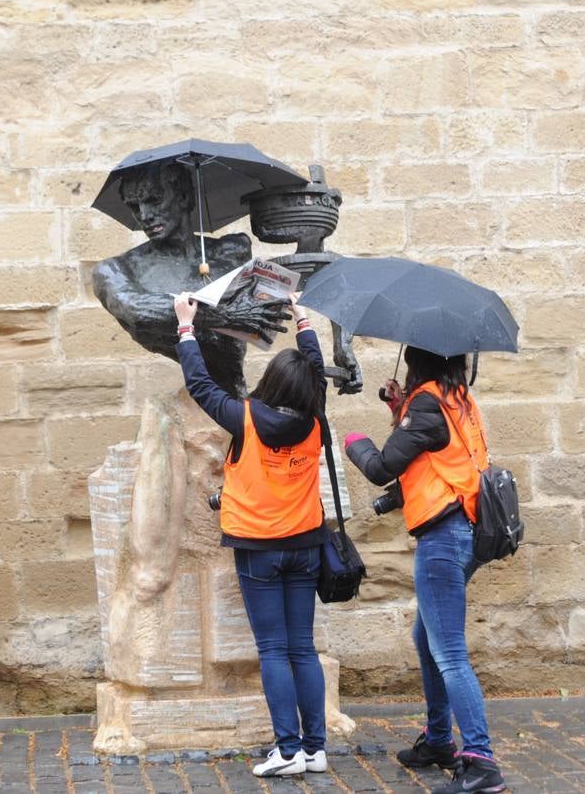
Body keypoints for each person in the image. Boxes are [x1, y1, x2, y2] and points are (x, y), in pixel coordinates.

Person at [172, 290, 329, 778]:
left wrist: (185, 327)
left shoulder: (246, 418)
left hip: (259, 550)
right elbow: (317, 371)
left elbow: (200, 385)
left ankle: (287, 750)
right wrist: (302, 316)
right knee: (302, 648)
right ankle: (315, 748)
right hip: (305, 545)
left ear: (271, 383)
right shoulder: (315, 419)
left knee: (274, 650)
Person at [342, 347, 507, 794]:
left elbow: (382, 468)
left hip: (443, 538)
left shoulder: (429, 405)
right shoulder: (458, 399)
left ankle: (481, 762)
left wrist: (353, 441)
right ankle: (438, 741)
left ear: (418, 363)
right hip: (467, 531)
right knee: (425, 637)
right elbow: (435, 454)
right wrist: (401, 410)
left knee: (450, 653)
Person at [92, 161, 291, 396]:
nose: (144, 215)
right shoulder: (116, 269)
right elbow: (137, 312)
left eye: (154, 200)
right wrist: (225, 316)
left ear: (185, 197)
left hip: (234, 398)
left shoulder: (233, 251)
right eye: (134, 206)